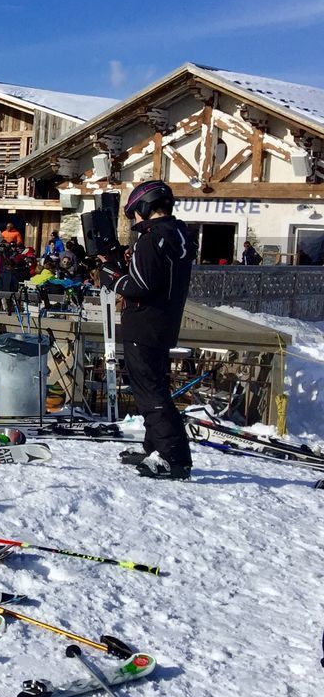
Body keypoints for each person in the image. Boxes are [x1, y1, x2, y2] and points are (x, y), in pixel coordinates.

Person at [98, 180, 195, 480]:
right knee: (153, 387)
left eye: (134, 214)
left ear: (144, 207)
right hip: (164, 322)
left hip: (143, 325)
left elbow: (139, 287)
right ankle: (155, 447)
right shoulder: (178, 234)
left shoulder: (150, 238)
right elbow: (155, 279)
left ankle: (173, 457)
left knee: (150, 392)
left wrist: (111, 275)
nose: (134, 221)